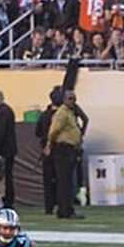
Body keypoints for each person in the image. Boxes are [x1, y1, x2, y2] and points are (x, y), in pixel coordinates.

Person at [47, 89, 84, 219]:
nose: (73, 101)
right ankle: (65, 210)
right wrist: (49, 145)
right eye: (70, 98)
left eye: (74, 98)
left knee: (68, 181)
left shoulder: (70, 112)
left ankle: (66, 209)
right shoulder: (62, 113)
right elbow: (53, 131)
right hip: (63, 149)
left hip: (70, 149)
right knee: (64, 182)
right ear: (63, 100)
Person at [35, 87, 63, 215]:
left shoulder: (44, 115)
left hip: (46, 150)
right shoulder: (63, 115)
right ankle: (61, 205)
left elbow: (38, 132)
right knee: (61, 179)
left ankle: (49, 207)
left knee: (48, 180)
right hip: (59, 149)